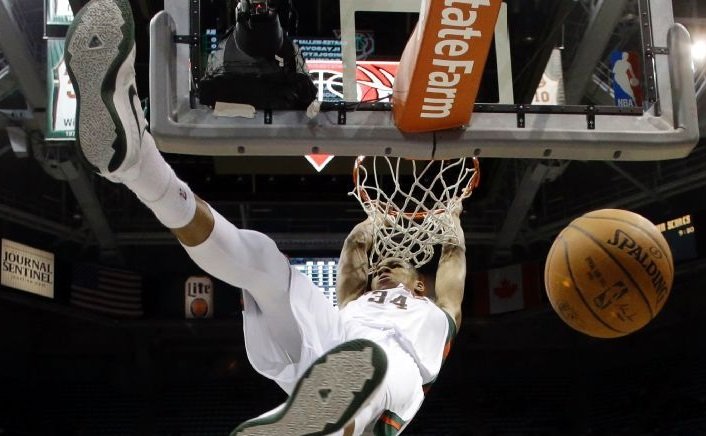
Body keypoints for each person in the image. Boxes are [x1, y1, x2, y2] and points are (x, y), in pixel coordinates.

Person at [64, 0, 467, 434]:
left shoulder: (437, 312)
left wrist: (451, 218)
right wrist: (374, 216)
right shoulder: (353, 303)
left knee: (375, 374)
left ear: (420, 284)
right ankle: (141, 166)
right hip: (329, 349)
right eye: (382, 266)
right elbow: (355, 250)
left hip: (399, 370)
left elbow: (452, 265)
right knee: (263, 259)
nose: (383, 268)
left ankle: (333, 418)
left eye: (395, 266)